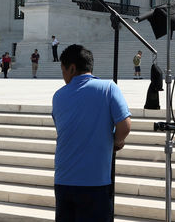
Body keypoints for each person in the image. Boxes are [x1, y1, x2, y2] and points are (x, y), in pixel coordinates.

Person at [52, 44, 131, 221]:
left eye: (63, 70)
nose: (63, 76)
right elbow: (125, 126)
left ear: (71, 68)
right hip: (95, 182)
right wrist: (116, 142)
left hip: (64, 180)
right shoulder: (108, 88)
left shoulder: (58, 96)